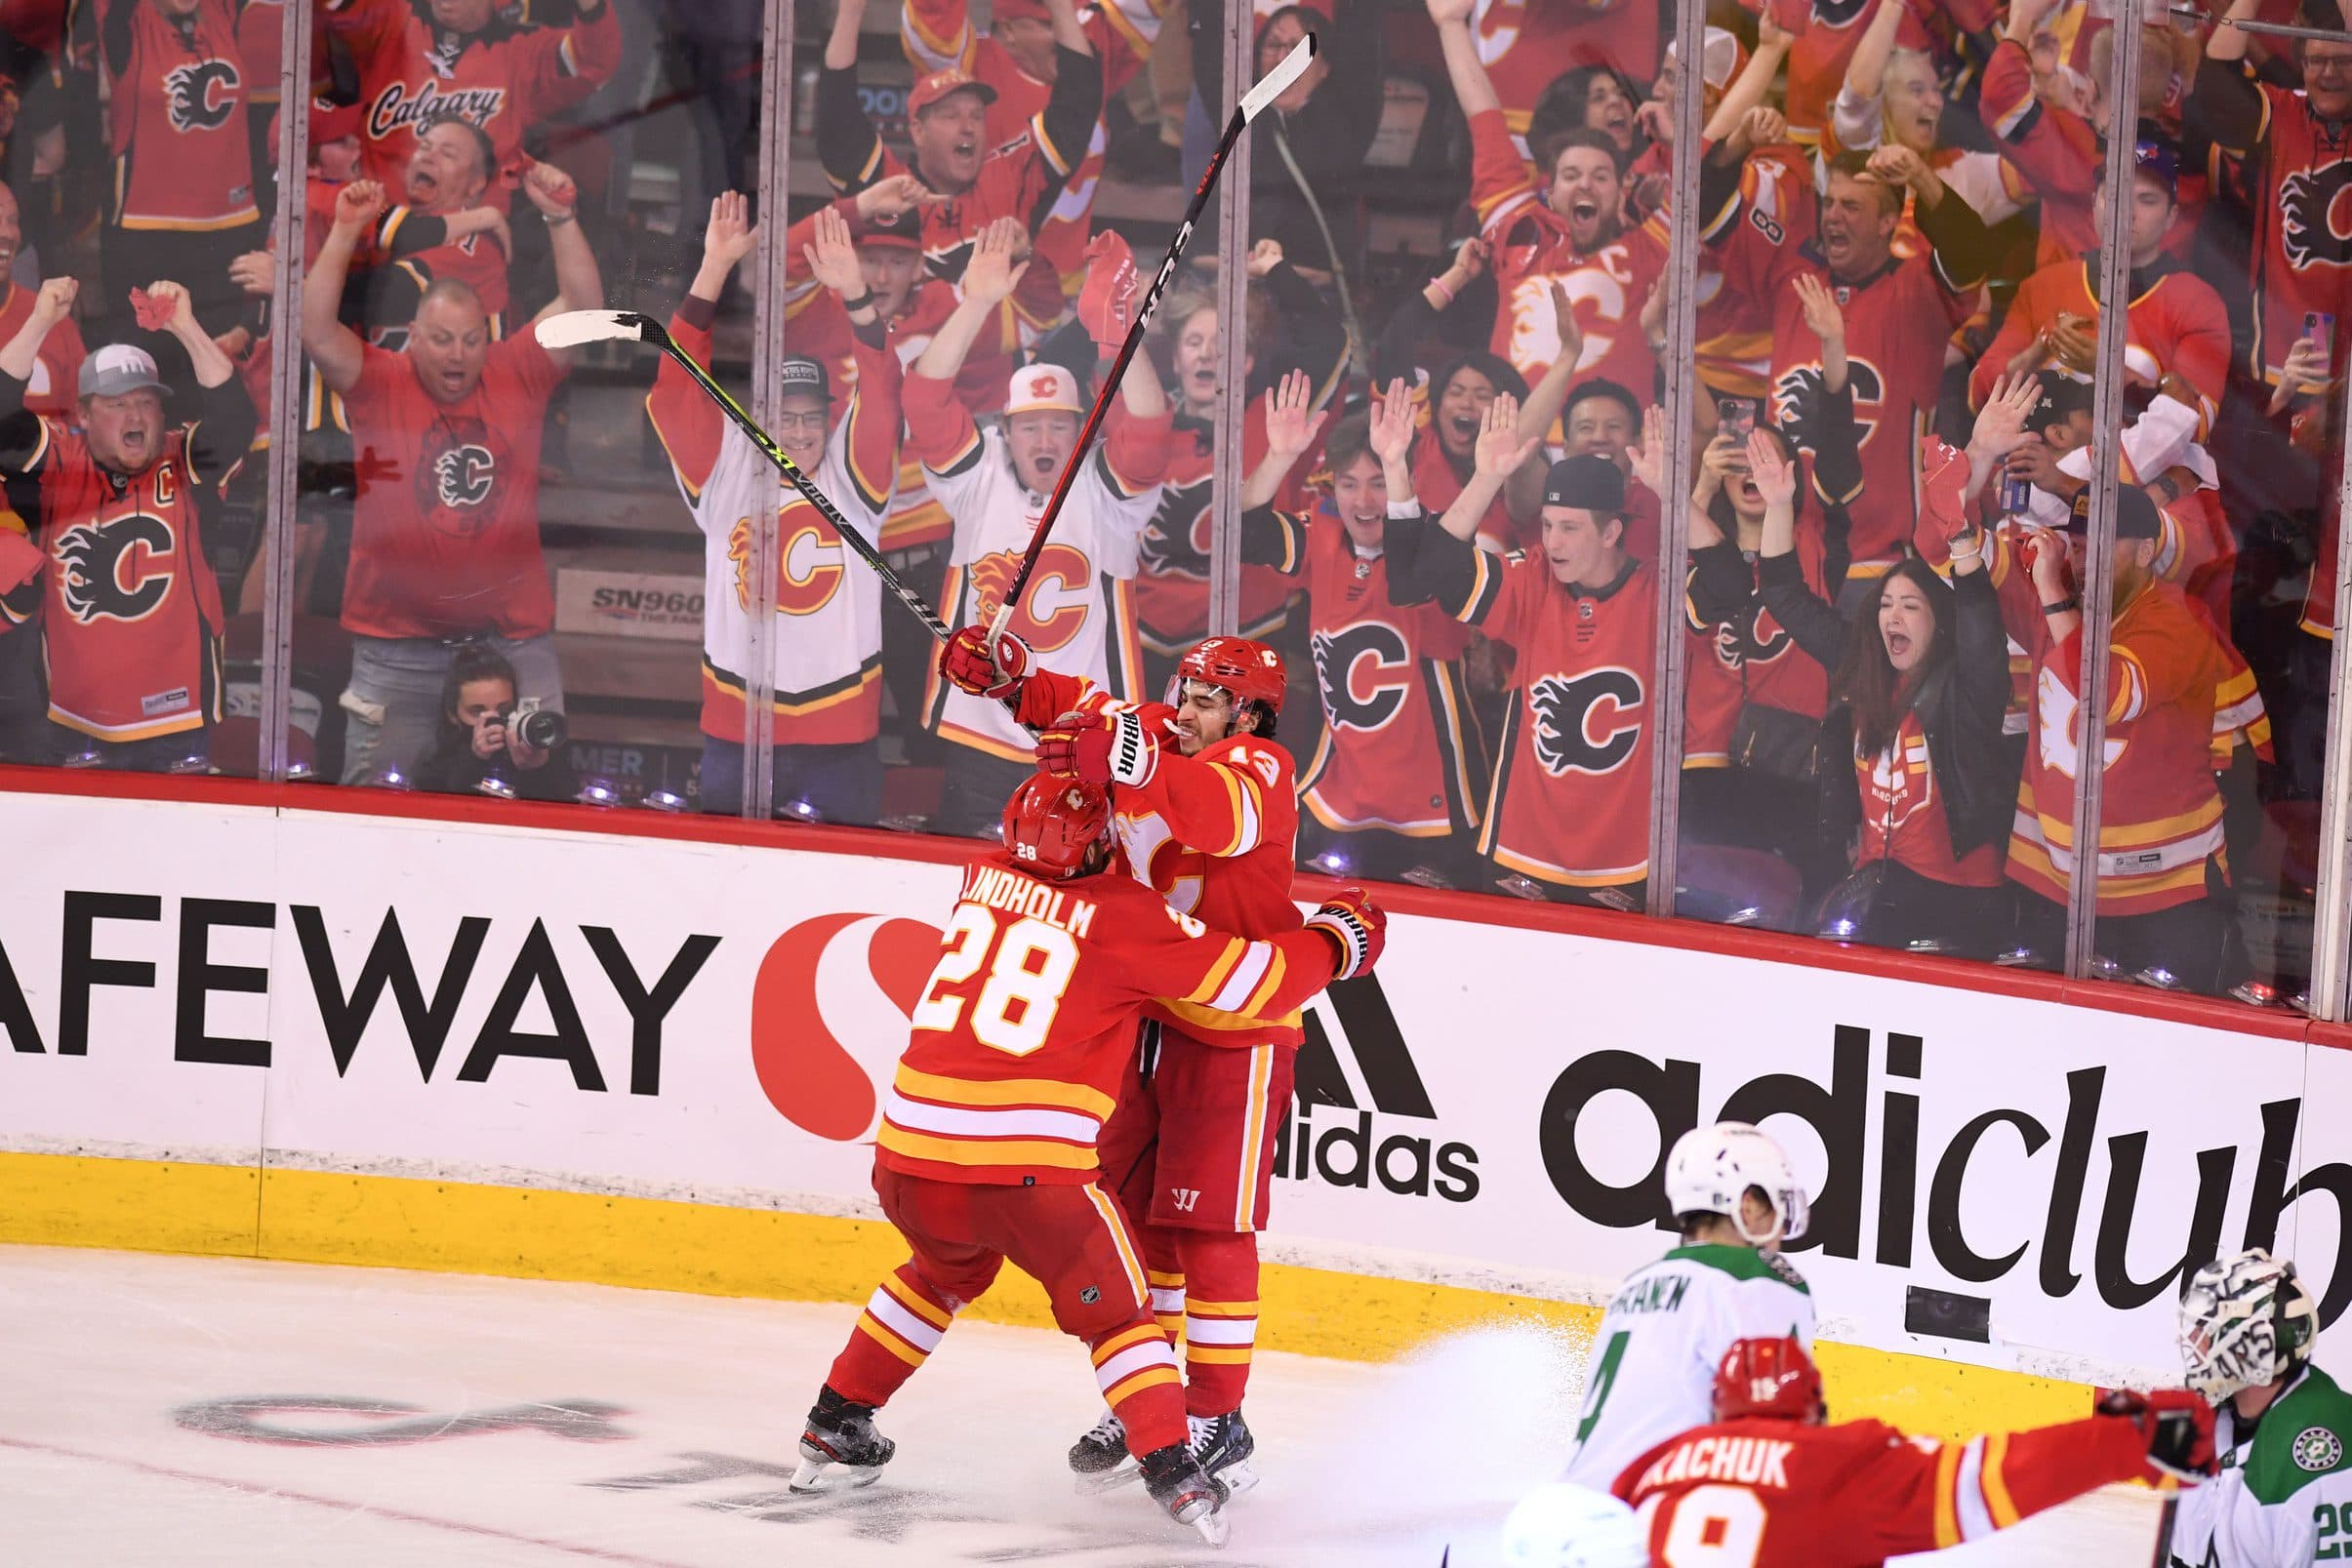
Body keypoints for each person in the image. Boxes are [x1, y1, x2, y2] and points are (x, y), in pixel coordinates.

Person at [790, 769, 1385, 1548]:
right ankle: (1175, 1469)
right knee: (1122, 1316)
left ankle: (837, 1417)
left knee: (940, 1271)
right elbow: (1259, 984)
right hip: (1028, 1175)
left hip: (905, 1158)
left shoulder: (978, 878)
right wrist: (1338, 938)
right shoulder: (1125, 916)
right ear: (1102, 844)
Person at [934, 621, 1304, 1492]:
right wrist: (1008, 675)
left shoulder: (1262, 768)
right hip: (1149, 1016)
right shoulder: (1162, 731)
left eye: (1208, 702)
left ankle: (1218, 1416)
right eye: (1184, 693)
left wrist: (1128, 751)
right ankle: (1160, 1401)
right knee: (1140, 1219)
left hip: (1237, 1023)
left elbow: (1210, 816)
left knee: (1212, 1227)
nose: (1186, 710)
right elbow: (1072, 705)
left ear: (1249, 716)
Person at [299, 170, 604, 784]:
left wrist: (561, 218)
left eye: (469, 340)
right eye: (440, 340)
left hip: (510, 644)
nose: (457, 354)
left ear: (487, 338)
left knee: (540, 801)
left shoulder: (516, 369)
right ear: (413, 338)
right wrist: (346, 230)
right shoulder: (380, 380)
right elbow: (314, 330)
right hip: (397, 648)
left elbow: (585, 312)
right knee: (378, 816)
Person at [907, 220, 1168, 836]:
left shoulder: (1104, 488)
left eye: (1059, 425)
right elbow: (924, 397)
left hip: (1084, 733)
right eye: (1030, 426)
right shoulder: (979, 474)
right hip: (980, 731)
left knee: (1079, 877)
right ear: (1006, 432)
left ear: (1081, 430)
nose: (1045, 439)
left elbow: (1150, 431)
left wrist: (1120, 337)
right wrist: (977, 303)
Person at [650, 193, 902, 821]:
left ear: (829, 420)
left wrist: (856, 296)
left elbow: (882, 390)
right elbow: (677, 388)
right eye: (783, 418)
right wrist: (714, 269)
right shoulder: (729, 475)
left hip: (840, 740)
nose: (798, 432)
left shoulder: (855, 482)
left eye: (811, 418)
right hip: (737, 732)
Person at [1756, 413, 2020, 957]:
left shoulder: (1968, 686)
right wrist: (1779, 506)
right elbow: (1784, 596)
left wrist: (1963, 542)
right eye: (1886, 605)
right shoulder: (1863, 665)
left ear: (1939, 622)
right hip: (1880, 885)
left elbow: (1979, 619)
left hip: (1961, 897)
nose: (1893, 617)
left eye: (1910, 607)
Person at [1614, 1335, 2217, 1564]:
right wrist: (2127, 1439)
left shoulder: (1653, 1467)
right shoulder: (1838, 1464)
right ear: (1812, 1409)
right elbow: (1992, 1477)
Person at [1388, 398, 1654, 907]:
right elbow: (1430, 576)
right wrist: (1486, 478)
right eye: (1548, 525)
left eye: (1569, 528)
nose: (1553, 542)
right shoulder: (1533, 575)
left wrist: (1678, 496)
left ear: (1612, 532)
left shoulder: (1653, 590)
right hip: (1520, 849)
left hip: (1624, 859)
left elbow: (1728, 586)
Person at [2004, 485, 2253, 993]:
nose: (2083, 556)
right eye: (2077, 543)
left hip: (2167, 892)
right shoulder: (2052, 595)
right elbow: (1947, 550)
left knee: (2180, 1034)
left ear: (2144, 552)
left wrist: (2051, 590)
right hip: (2057, 886)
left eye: (2102, 542)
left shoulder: (2179, 619)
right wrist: (1975, 470)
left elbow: (2104, 694)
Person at [0, 278, 255, 767]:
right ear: (83, 414)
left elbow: (235, 420)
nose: (134, 416)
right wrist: (39, 322)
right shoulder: (58, 460)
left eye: (145, 402)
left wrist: (185, 326)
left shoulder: (184, 460)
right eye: (116, 404)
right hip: (75, 725)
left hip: (177, 725)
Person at [1238, 375, 1483, 881]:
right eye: (1349, 484)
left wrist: (1396, 468)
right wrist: (1278, 458)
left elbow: (1409, 574)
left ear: (1406, 480)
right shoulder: (1323, 538)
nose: (1364, 500)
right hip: (1342, 797)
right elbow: (1242, 531)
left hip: (1437, 798)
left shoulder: (1438, 542)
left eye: (1379, 482)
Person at [1429, 0, 1667, 416]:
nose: (1586, 184)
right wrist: (1450, 26)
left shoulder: (1649, 246)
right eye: (1571, 175)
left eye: (1601, 176)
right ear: (1550, 192)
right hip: (1514, 446)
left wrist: (1675, 139)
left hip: (1615, 449)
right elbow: (1483, 118)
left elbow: (1699, 168)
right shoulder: (1517, 226)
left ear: (1621, 192)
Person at [1558, 1121, 1816, 1494]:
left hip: (1567, 1502)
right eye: (1775, 1206)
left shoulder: (1635, 1284)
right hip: (1639, 1513)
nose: (1779, 1228)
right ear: (1747, 1205)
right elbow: (1770, 1438)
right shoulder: (1755, 1279)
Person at [818, 0, 1094, 338]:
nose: (967, 127)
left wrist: (1061, 9)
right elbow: (837, 115)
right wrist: (850, 15)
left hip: (988, 355)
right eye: (950, 115)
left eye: (977, 116)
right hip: (888, 351)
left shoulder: (1010, 178)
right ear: (918, 131)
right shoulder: (884, 187)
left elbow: (1079, 103)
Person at [896, 0, 1161, 296]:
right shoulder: (966, 66)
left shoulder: (1082, 47)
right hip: (972, 290)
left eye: (1073, 20)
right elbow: (933, 16)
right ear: (1009, 30)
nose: (1067, 33)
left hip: (1057, 294)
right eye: (1048, 24)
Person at [2168, 1248, 2352, 1566]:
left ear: (2253, 1345)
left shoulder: (2320, 1453)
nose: (2194, 1340)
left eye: (2207, 1329)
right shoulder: (2209, 1433)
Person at [317, 0, 622, 191]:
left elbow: (593, 63)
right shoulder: (392, 18)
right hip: (376, 226)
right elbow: (333, 7)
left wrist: (591, 6)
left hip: (468, 241)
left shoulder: (524, 49)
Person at [101, 0, 263, 340]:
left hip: (230, 226)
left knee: (221, 355)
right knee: (151, 357)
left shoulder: (223, 9)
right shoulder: (127, 18)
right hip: (147, 231)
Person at [412, 642, 577, 800]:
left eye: (504, 710)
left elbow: (568, 803)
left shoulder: (539, 751)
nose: (494, 722)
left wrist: (538, 769)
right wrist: (474, 760)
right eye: (478, 712)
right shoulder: (439, 765)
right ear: (453, 715)